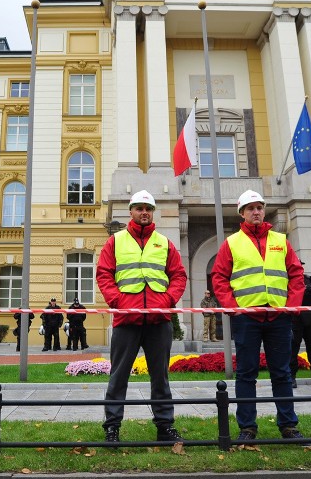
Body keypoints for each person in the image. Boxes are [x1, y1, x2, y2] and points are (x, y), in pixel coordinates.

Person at [211, 189, 307, 444]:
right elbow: (219, 278)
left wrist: (291, 306)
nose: (256, 211)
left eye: (259, 207)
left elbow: (296, 274)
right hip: (246, 318)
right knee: (246, 373)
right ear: (242, 213)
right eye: (251, 208)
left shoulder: (280, 239)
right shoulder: (231, 243)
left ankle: (288, 426)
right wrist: (234, 307)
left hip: (278, 316)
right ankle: (247, 428)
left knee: (282, 372)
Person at [97, 190, 187, 444]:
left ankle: (164, 426)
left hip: (159, 321)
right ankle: (112, 427)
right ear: (131, 211)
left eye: (148, 208)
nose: (144, 212)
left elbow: (179, 275)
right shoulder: (116, 241)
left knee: (160, 376)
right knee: (118, 375)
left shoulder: (164, 242)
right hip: (127, 320)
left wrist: (168, 301)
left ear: (153, 212)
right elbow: (104, 274)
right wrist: (118, 302)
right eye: (139, 208)